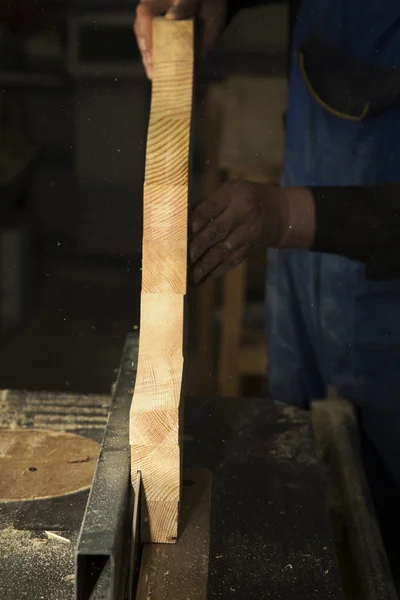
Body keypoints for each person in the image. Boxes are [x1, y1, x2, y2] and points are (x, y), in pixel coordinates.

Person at [134, 1, 400, 493]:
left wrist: (289, 216)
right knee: (293, 446)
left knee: (377, 491)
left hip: (382, 272)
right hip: (303, 212)